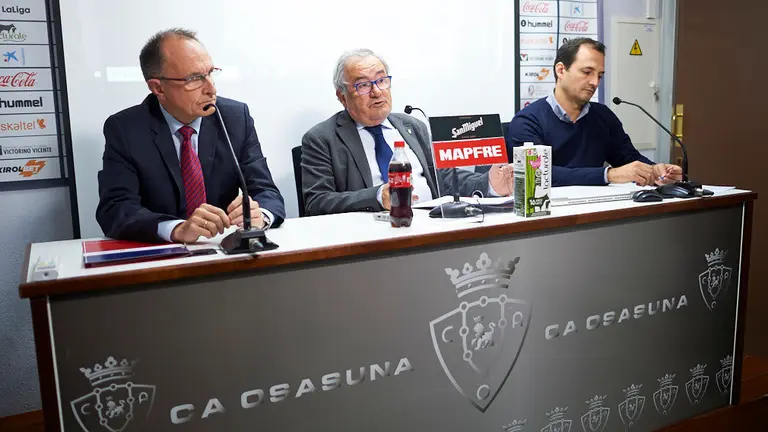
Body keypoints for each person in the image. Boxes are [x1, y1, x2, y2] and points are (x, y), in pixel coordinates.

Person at [96, 28, 284, 243]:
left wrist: (260, 216)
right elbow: (115, 209)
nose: (211, 88)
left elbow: (267, 192)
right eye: (194, 78)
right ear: (158, 88)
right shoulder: (126, 129)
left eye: (211, 73)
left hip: (223, 251)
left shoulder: (235, 118)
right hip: (161, 261)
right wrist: (176, 229)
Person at [301, 48, 512, 216]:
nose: (376, 92)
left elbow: (443, 178)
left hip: (431, 227)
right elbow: (317, 202)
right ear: (342, 96)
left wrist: (488, 183)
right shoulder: (322, 139)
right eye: (363, 85)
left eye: (381, 80)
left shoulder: (412, 126)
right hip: (371, 237)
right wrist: (376, 196)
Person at [506, 38, 682, 187]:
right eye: (587, 72)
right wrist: (609, 175)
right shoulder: (528, 121)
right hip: (550, 213)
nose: (594, 82)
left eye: (600, 75)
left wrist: (657, 170)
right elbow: (536, 174)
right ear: (561, 70)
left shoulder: (603, 116)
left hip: (596, 210)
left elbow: (628, 157)